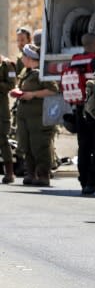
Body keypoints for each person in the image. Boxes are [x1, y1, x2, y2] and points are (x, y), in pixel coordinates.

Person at [61, 32, 95, 195]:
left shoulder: (75, 59)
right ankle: (94, 180)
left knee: (84, 146)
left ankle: (84, 181)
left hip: (79, 107)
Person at [10, 44, 58, 186]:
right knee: (26, 145)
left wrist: (32, 94)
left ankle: (43, 175)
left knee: (39, 146)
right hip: (24, 116)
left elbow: (53, 90)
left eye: (23, 56)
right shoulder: (27, 72)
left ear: (30, 58)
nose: (21, 58)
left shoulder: (42, 73)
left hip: (38, 117)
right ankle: (30, 173)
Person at [1, 53, 16, 183]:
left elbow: (11, 85)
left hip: (1, 109)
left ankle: (9, 172)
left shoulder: (7, 65)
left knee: (2, 140)